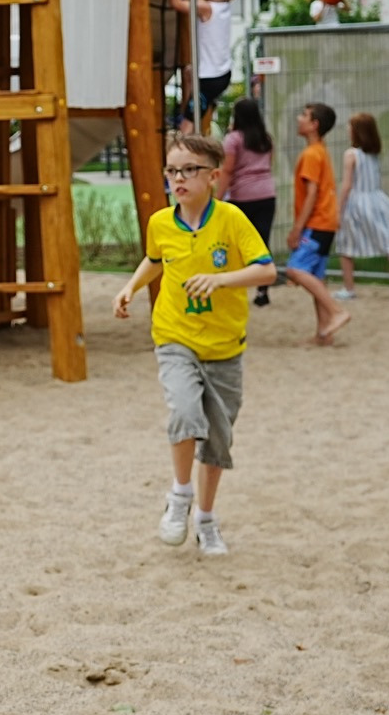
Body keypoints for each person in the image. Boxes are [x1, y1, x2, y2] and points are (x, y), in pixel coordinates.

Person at [112, 134, 277, 556]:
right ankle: (179, 495)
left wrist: (221, 280)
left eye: (189, 170)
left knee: (218, 442)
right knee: (184, 412)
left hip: (225, 345)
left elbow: (267, 271)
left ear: (214, 177)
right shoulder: (161, 223)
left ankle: (205, 518)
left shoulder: (232, 219)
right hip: (174, 336)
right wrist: (130, 287)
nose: (178, 179)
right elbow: (154, 259)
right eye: (172, 171)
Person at [285, 102, 350, 345]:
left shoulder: (311, 154)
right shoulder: (320, 150)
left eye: (304, 115)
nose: (298, 118)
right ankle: (324, 333)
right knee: (316, 276)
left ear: (314, 125)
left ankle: (336, 311)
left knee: (295, 270)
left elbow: (311, 193)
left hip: (316, 222)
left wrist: (297, 229)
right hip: (326, 223)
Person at [334, 112, 389, 303]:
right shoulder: (373, 153)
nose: (347, 130)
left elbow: (346, 185)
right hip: (378, 201)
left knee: (346, 244)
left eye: (350, 127)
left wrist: (338, 209)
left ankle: (349, 288)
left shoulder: (351, 154)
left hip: (357, 203)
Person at [164, 0, 243, 133]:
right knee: (189, 77)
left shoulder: (207, 9)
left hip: (209, 78)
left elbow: (177, 3)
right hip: (221, 73)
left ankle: (181, 147)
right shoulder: (223, 8)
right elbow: (202, 4)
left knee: (188, 120)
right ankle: (189, 136)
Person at [220, 98, 277, 308]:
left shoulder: (233, 139)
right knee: (262, 240)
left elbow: (227, 170)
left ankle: (236, 283)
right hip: (266, 194)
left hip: (242, 196)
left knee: (236, 244)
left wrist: (217, 196)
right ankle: (263, 289)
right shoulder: (266, 139)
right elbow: (268, 165)